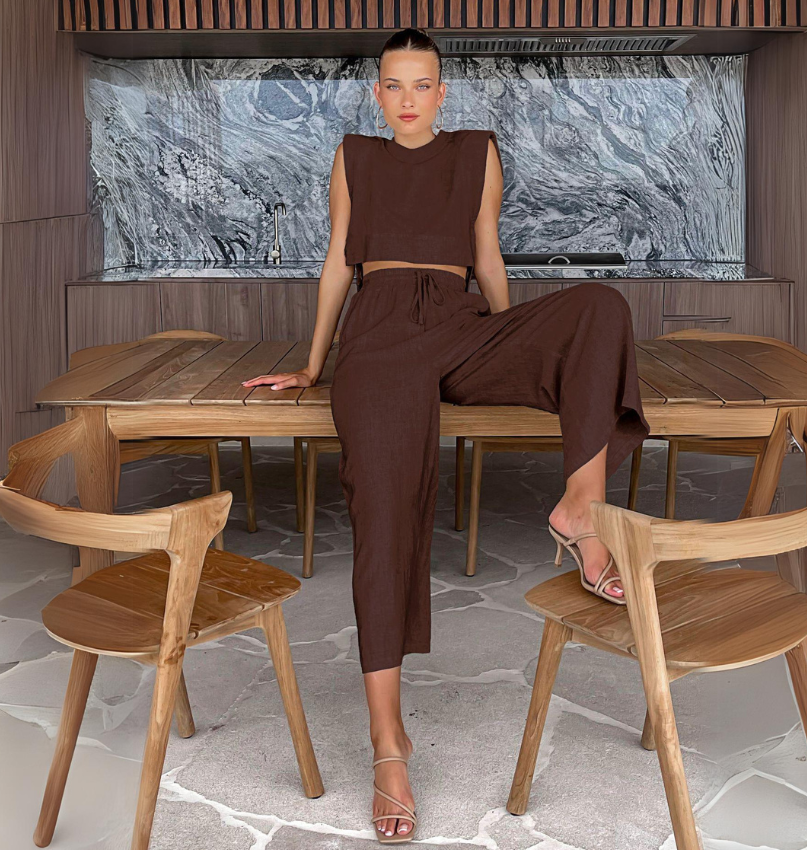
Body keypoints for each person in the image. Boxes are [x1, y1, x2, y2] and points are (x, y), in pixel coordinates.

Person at [242, 26, 651, 844]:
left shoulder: (478, 153)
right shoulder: (355, 155)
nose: (406, 100)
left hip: (461, 322)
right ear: (376, 93)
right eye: (393, 85)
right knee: (383, 509)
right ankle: (388, 742)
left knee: (601, 306)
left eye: (421, 85)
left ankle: (583, 510)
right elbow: (334, 263)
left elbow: (488, 254)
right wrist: (314, 367)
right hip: (380, 333)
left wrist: (517, 347)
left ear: (442, 91)